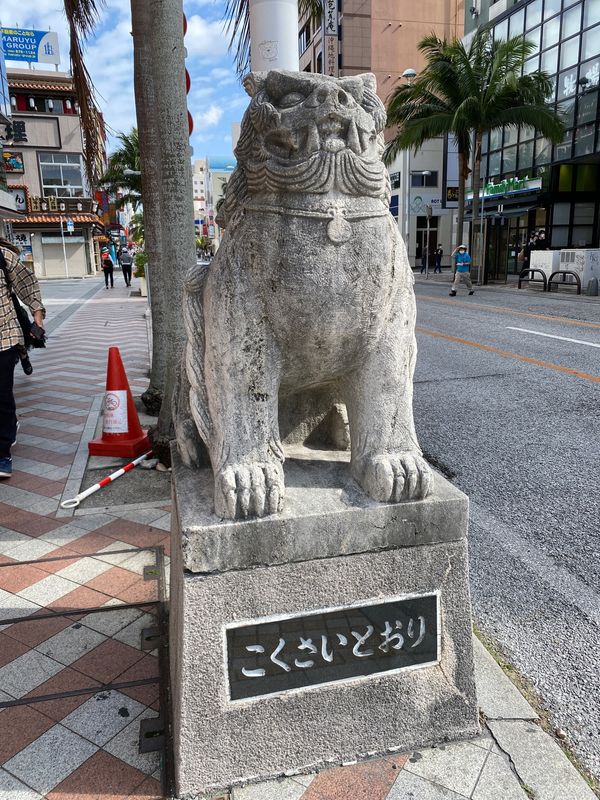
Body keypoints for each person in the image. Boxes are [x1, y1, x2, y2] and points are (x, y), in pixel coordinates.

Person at [0, 238, 45, 478]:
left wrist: (37, 316)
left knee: (1, 395)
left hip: (4, 337)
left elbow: (28, 285)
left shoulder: (3, 257)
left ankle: (2, 452)